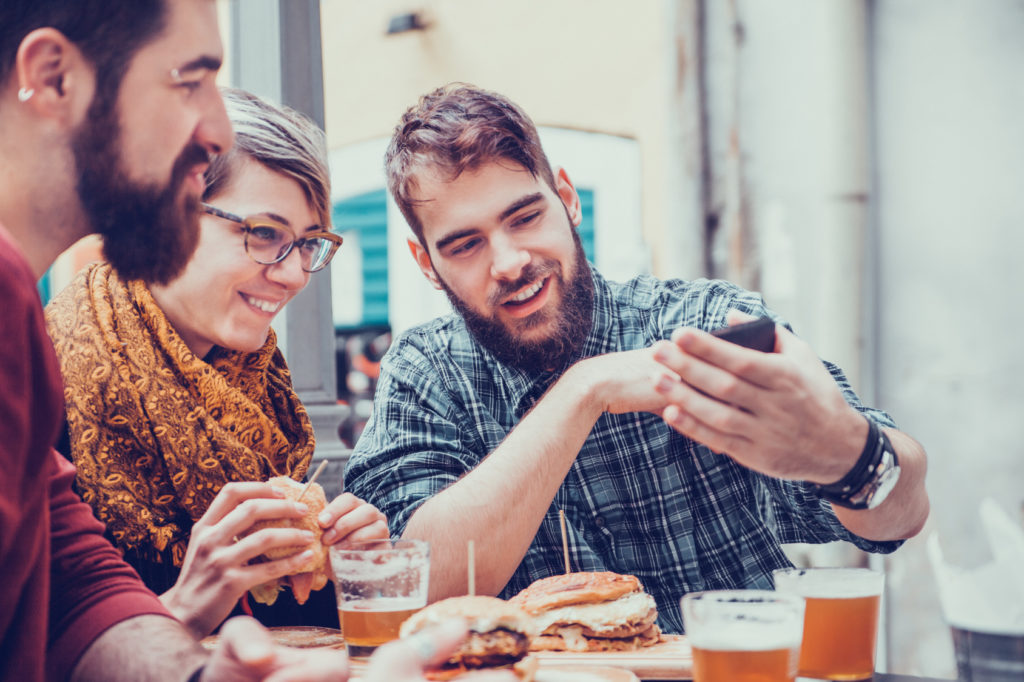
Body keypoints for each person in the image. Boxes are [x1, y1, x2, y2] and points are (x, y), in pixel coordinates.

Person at [0, 2, 477, 680]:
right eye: (188, 80)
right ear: (52, 79)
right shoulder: (48, 340)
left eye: (307, 245)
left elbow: (78, 591)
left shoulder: (17, 305)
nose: (216, 128)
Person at [344, 83, 930, 634]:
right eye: (465, 244)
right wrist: (582, 391)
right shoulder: (425, 372)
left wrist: (848, 455)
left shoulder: (701, 320)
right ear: (426, 263)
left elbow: (900, 516)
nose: (508, 261)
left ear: (567, 200)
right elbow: (418, 589)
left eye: (525, 217)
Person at [45, 86, 389, 639]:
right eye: (264, 234)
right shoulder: (43, 382)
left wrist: (351, 573)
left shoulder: (256, 393)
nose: (295, 273)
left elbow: (280, 624)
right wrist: (183, 604)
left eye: (308, 244)